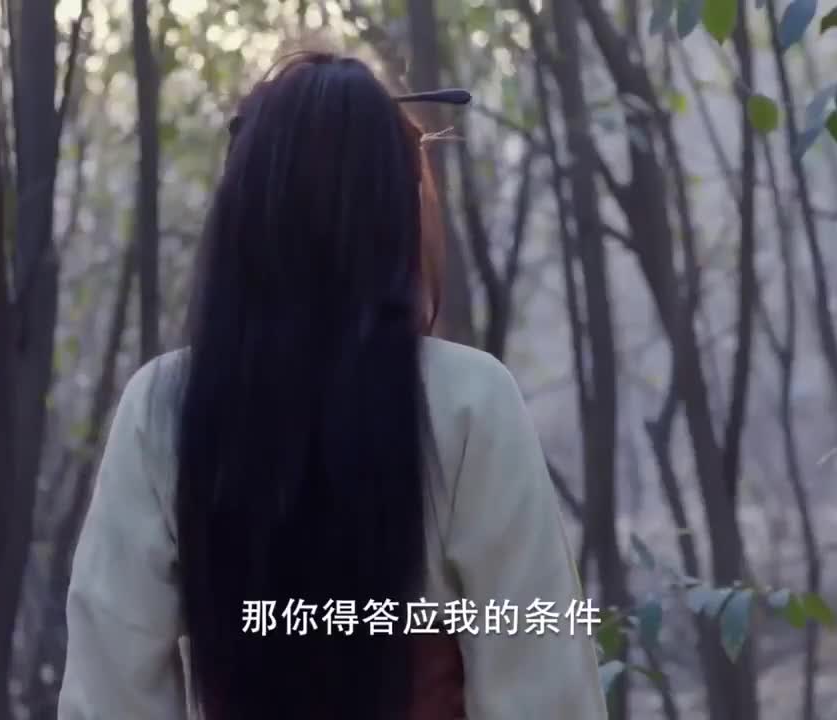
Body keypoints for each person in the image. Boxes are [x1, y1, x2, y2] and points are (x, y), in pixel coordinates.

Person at [58, 49, 607, 720]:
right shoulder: (469, 400)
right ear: (395, 211)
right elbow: (544, 688)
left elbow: (110, 692)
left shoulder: (165, 406)